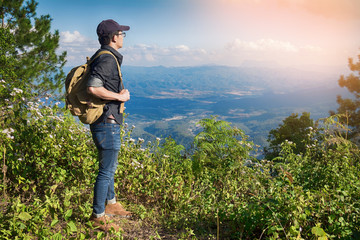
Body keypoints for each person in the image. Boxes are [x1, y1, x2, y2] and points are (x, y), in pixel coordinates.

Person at [87, 19, 131, 231]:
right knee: (106, 170)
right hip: (107, 122)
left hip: (103, 121)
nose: (123, 37)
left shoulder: (101, 56)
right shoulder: (107, 60)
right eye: (122, 34)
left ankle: (111, 205)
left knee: (109, 167)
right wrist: (120, 96)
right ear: (114, 37)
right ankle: (98, 215)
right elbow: (93, 88)